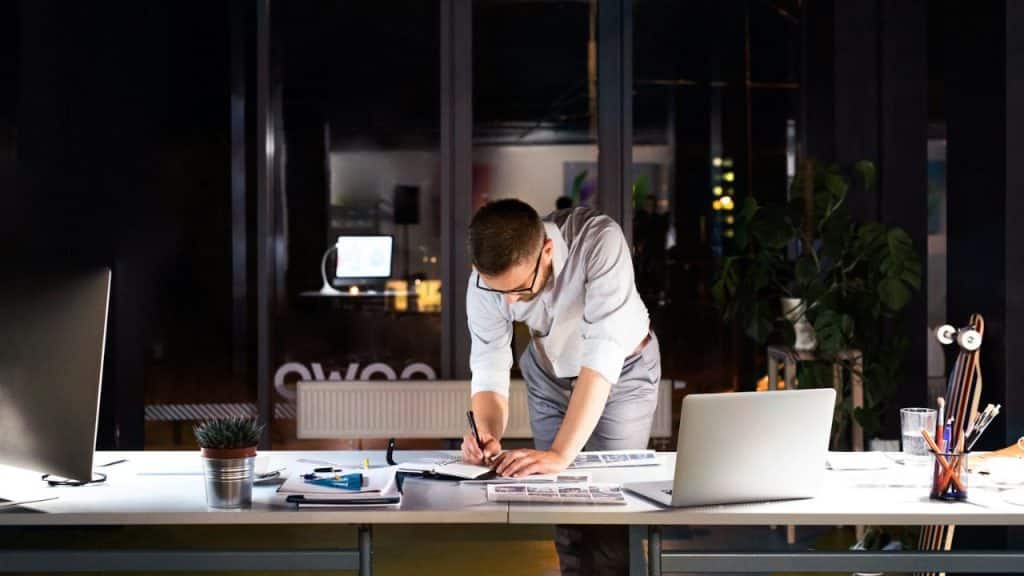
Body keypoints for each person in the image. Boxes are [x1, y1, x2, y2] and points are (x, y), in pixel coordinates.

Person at [462, 198, 660, 575]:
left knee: (612, 500)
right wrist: (487, 435)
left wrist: (559, 452)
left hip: (624, 370)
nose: (508, 301)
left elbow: (602, 354)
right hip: (549, 370)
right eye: (497, 291)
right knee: (559, 499)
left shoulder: (600, 240)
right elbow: (489, 361)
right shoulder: (484, 283)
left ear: (547, 251)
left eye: (519, 289)